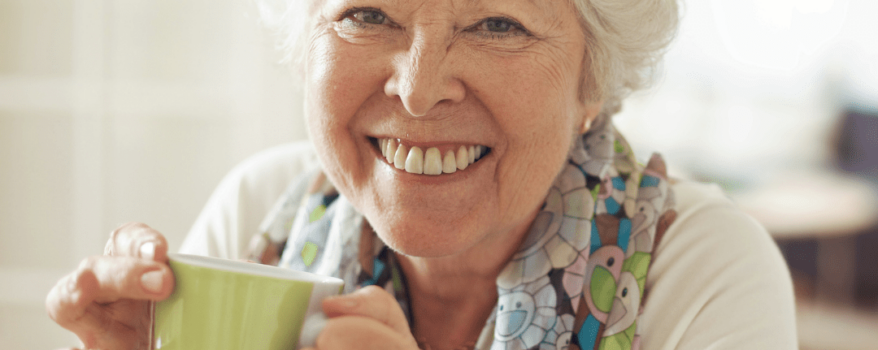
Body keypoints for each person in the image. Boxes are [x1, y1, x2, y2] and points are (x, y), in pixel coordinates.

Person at [46, 0, 798, 349]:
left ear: (591, 81)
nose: (416, 86)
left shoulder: (706, 272)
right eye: (368, 14)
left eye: (497, 23)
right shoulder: (258, 210)